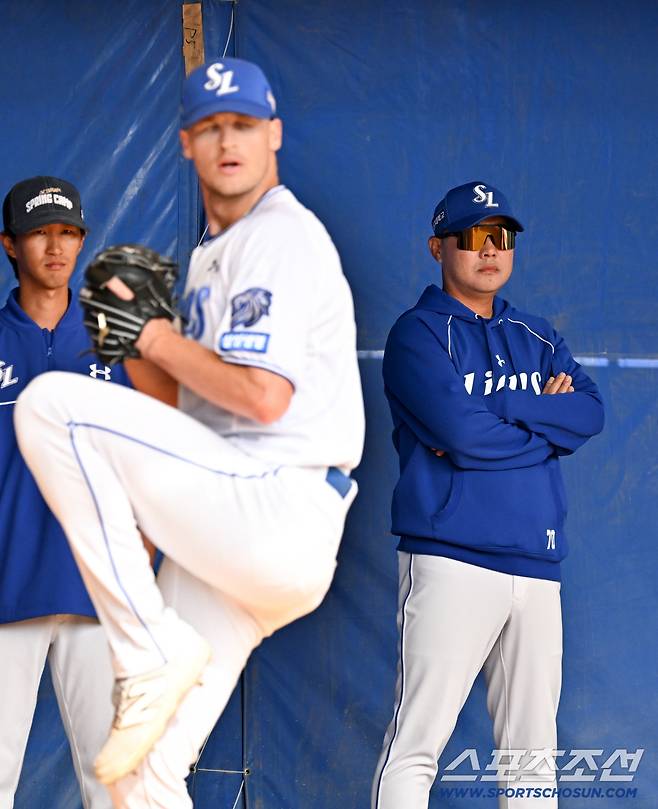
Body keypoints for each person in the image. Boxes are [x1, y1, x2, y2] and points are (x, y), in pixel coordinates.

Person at [14, 58, 365, 809]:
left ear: (273, 134)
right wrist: (134, 346)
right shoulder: (211, 256)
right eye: (210, 127)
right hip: (233, 529)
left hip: (277, 500)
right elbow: (185, 418)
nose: (227, 140)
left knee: (48, 405)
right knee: (138, 767)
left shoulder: (279, 237)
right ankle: (152, 657)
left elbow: (263, 399)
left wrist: (159, 337)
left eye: (242, 124)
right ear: (185, 144)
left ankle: (150, 650)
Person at [371, 181, 604, 809]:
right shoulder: (417, 335)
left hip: (536, 563)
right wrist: (540, 426)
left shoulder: (538, 336)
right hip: (451, 558)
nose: (490, 250)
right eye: (474, 237)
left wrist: (501, 410)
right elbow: (461, 436)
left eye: (501, 237)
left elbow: (588, 413)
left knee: (532, 760)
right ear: (438, 248)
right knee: (416, 745)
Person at [0, 176, 134, 809]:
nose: (55, 246)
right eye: (38, 233)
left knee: (118, 784)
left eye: (68, 232)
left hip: (95, 587)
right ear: (9, 245)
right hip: (4, 586)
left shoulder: (118, 342)